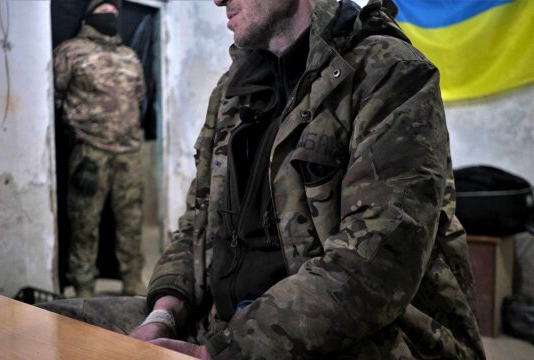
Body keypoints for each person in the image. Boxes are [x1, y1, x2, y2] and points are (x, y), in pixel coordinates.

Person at [41, 0, 485, 358]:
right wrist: (165, 309)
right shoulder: (235, 88)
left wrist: (223, 350)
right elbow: (198, 221)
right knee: (44, 328)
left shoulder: (388, 72)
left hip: (365, 337)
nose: (216, 1)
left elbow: (374, 268)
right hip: (225, 324)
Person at [53, 0, 147, 297]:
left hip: (129, 151)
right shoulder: (71, 51)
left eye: (115, 13)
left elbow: (140, 96)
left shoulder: (129, 56)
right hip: (89, 152)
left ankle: (132, 281)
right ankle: (83, 287)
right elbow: (54, 95)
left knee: (131, 221)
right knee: (84, 221)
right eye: (105, 12)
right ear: (91, 15)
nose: (111, 17)